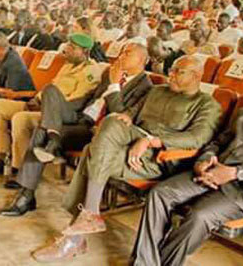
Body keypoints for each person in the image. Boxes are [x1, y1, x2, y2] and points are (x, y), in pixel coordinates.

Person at [31, 55, 221, 262]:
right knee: (113, 121)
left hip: (159, 157)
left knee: (90, 152)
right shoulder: (157, 91)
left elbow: (197, 138)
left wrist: (151, 141)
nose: (171, 75)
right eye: (171, 70)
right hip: (131, 144)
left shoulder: (207, 104)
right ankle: (89, 215)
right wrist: (128, 117)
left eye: (178, 72)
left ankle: (76, 238)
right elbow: (130, 112)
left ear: (196, 76)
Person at [130, 70, 243, 266]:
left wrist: (236, 172)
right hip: (210, 172)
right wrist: (204, 160)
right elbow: (218, 142)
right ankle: (144, 263)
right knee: (160, 193)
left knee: (199, 216)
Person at [1, 42, 153, 215]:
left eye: (127, 54)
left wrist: (114, 85)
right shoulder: (110, 73)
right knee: (50, 91)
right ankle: (53, 139)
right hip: (82, 115)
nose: (120, 57)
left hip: (97, 131)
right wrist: (63, 106)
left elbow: (119, 116)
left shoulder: (145, 87)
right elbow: (92, 99)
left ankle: (26, 195)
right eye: (121, 52)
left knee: (40, 132)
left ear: (142, 60)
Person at [0, 33, 101, 178]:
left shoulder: (91, 72)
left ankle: (20, 167)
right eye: (68, 45)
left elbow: (74, 101)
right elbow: (52, 86)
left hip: (55, 114)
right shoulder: (68, 65)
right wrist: (36, 99)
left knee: (20, 118)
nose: (66, 49)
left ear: (85, 52)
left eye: (72, 47)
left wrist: (44, 105)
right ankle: (0, 156)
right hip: (39, 103)